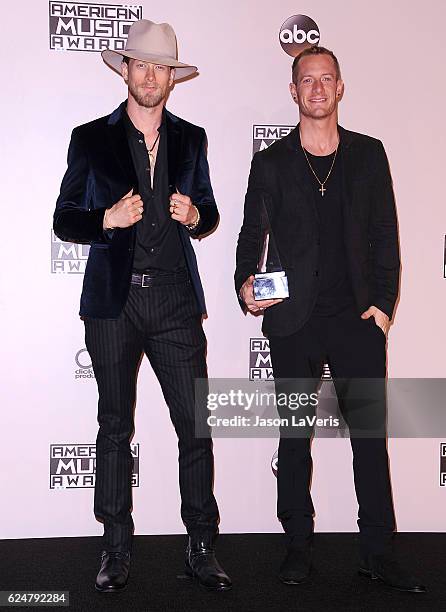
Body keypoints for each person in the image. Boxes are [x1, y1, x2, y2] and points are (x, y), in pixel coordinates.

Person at [235, 45, 425, 593]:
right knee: (294, 439)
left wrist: (383, 310)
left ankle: (377, 552)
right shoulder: (270, 163)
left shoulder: (369, 155)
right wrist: (246, 282)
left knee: (369, 437)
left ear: (340, 88)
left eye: (326, 79)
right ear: (293, 92)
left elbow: (387, 236)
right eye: (306, 80)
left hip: (356, 321)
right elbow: (252, 235)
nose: (316, 88)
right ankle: (296, 546)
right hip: (294, 322)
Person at [54, 19, 231, 593]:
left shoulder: (191, 139)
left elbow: (210, 211)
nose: (151, 75)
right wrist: (105, 218)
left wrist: (195, 216)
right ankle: (115, 548)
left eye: (161, 67)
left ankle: (202, 546)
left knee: (195, 426)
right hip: (114, 301)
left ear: (171, 79)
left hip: (176, 299)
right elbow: (63, 218)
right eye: (141, 64)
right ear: (125, 70)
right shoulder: (91, 138)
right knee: (113, 425)